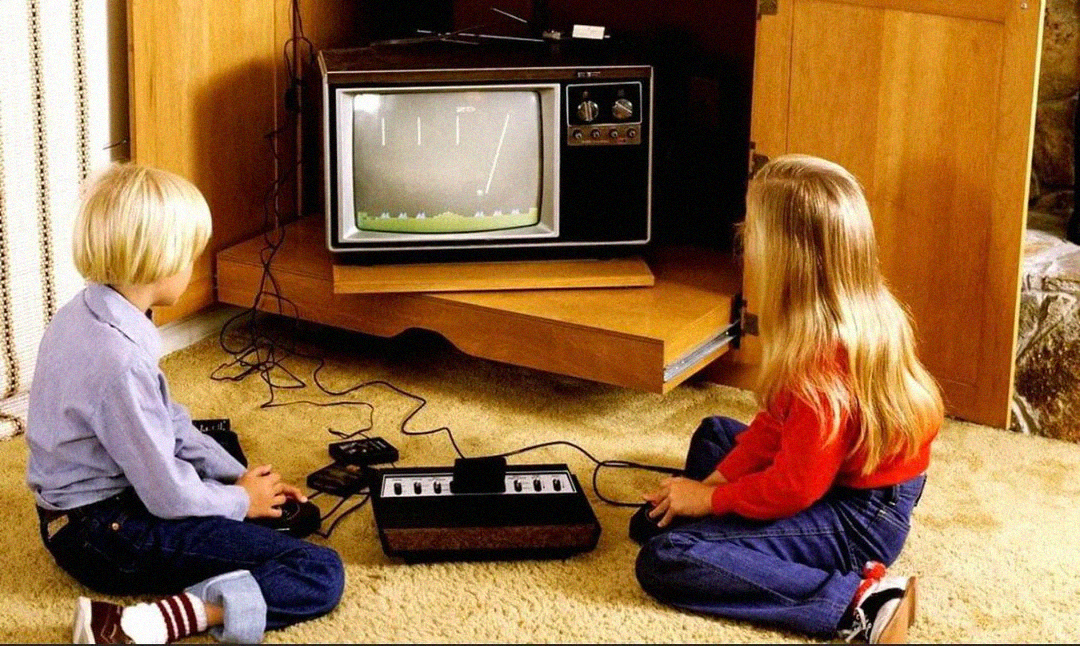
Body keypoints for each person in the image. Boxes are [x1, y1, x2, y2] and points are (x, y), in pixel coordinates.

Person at [25, 163, 345, 644]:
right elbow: (168, 496)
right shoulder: (120, 363)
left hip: (88, 509)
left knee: (216, 443)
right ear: (162, 261)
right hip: (103, 537)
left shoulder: (86, 313)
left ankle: (233, 509)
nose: (194, 266)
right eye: (192, 256)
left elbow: (169, 421)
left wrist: (239, 479)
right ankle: (145, 623)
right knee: (318, 569)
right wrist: (242, 501)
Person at [633, 154, 943, 644]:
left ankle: (863, 601)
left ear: (787, 258)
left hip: (858, 519)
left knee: (667, 556)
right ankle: (720, 534)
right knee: (714, 434)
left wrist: (710, 500)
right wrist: (709, 486)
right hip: (851, 477)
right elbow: (777, 424)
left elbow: (796, 487)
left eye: (753, 228)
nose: (742, 235)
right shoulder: (852, 311)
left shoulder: (821, 368)